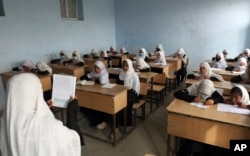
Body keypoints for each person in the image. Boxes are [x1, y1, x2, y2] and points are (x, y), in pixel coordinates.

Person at [0, 73, 83, 156]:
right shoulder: (50, 128)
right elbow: (73, 141)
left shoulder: (4, 123)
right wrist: (71, 111)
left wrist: (44, 108)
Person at [116, 59, 140, 127]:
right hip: (122, 93)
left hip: (132, 95)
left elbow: (136, 89)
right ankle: (117, 121)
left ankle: (126, 122)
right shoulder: (121, 74)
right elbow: (118, 86)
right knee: (116, 102)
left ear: (130, 66)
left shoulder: (134, 75)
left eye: (127, 66)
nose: (125, 67)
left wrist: (127, 92)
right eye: (123, 66)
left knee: (123, 103)